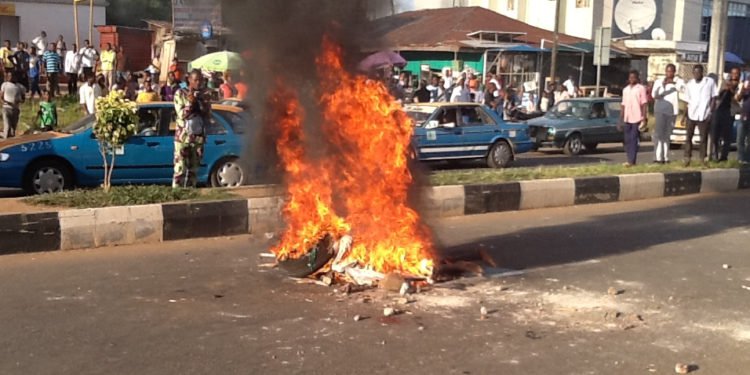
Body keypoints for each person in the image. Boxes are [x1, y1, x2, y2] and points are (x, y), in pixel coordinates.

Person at [173, 69, 210, 188]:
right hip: (183, 138)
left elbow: (207, 114)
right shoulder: (180, 93)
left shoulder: (205, 94)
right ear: (189, 80)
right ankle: (177, 193)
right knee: (180, 169)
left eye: (200, 80)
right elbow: (182, 114)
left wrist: (200, 102)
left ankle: (190, 191)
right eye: (195, 80)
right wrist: (190, 102)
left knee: (193, 170)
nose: (198, 83)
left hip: (198, 138)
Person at [682, 65, 718, 166]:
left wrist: (710, 112)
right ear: (693, 73)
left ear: (702, 73)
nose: (697, 74)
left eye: (699, 72)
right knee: (689, 137)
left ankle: (702, 159)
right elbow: (686, 101)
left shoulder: (709, 82)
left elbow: (713, 98)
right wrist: (684, 116)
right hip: (691, 114)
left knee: (703, 138)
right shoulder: (689, 84)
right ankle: (687, 158)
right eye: (695, 73)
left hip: (704, 114)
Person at [651, 63, 685, 164]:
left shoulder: (679, 81)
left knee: (667, 135)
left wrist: (674, 84)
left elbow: (683, 89)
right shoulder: (659, 82)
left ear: (674, 72)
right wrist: (663, 86)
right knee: (658, 135)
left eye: (671, 71)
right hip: (660, 111)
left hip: (672, 112)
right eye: (667, 71)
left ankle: (665, 157)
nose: (669, 73)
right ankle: (657, 157)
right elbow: (654, 95)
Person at [619, 70, 649, 167]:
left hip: (637, 118)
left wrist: (644, 118)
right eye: (630, 77)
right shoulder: (625, 90)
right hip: (627, 118)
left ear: (637, 78)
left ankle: (632, 161)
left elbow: (644, 104)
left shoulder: (641, 89)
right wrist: (620, 119)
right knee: (627, 140)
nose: (632, 79)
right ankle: (629, 159)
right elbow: (623, 105)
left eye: (634, 77)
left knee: (633, 139)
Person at [711, 67, 740, 162]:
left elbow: (737, 99)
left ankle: (724, 156)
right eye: (733, 73)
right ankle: (715, 155)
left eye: (736, 74)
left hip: (729, 112)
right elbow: (718, 95)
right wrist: (724, 89)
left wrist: (731, 89)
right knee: (715, 134)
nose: (734, 75)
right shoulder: (725, 82)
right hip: (719, 109)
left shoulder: (740, 85)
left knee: (727, 136)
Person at [1, 72, 25, 139]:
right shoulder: (5, 85)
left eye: (12, 76)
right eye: (9, 76)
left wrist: (19, 101)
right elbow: (1, 97)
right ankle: (5, 140)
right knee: (7, 126)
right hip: (6, 108)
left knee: (13, 127)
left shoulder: (20, 86)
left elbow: (23, 98)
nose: (10, 77)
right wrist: (6, 102)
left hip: (15, 109)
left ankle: (12, 140)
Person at [738, 73, 750, 164]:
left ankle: (747, 159)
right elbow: (738, 98)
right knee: (740, 139)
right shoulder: (746, 90)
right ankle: (741, 158)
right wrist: (743, 88)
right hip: (744, 117)